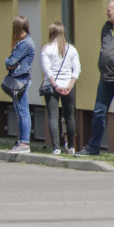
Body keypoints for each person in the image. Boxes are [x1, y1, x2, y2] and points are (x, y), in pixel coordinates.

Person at [78, 0, 114, 156]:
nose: (107, 12)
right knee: (98, 112)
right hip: (105, 78)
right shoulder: (106, 28)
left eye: (109, 10)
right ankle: (93, 147)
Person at [39, 22, 80, 154]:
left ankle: (56, 147)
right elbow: (77, 69)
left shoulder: (46, 49)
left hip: (52, 87)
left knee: (53, 116)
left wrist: (55, 85)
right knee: (69, 116)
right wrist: (69, 86)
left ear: (51, 33)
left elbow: (47, 69)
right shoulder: (71, 49)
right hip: (68, 86)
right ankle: (72, 146)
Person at [4, 15, 35, 153]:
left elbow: (10, 62)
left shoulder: (25, 44)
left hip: (20, 79)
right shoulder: (23, 41)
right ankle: (21, 141)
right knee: (20, 111)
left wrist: (8, 61)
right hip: (19, 79)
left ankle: (24, 143)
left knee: (23, 111)